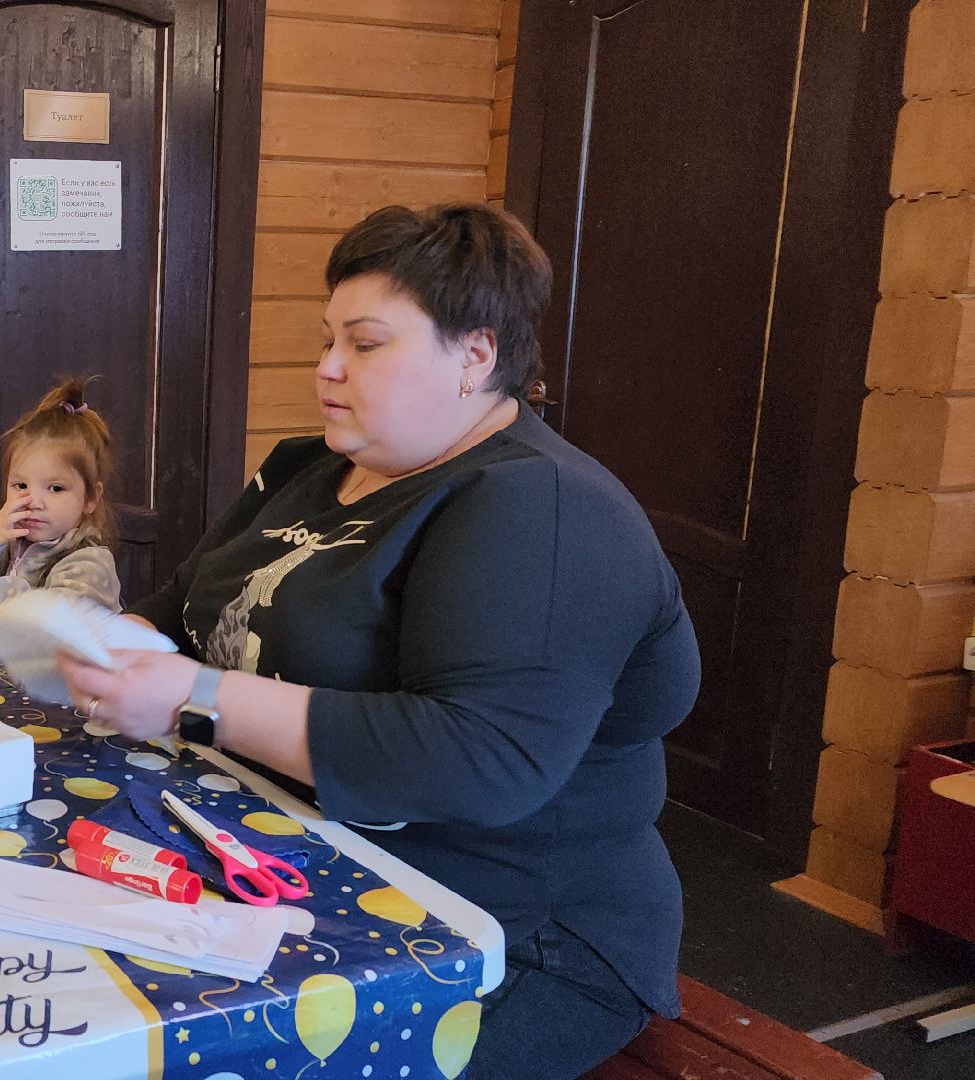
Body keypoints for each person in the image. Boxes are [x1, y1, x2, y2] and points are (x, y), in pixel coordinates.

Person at [53, 203, 700, 1079]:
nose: (327, 367)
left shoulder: (541, 508)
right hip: (294, 861)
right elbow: (186, 603)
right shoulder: (306, 468)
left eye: (365, 344)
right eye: (329, 340)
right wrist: (117, 639)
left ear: (475, 355)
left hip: (503, 934)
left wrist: (194, 695)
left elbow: (479, 759)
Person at [0, 377, 120, 615]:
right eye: (21, 485)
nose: (34, 502)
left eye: (55, 488)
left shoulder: (90, 561)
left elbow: (56, 614)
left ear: (90, 499)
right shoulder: (9, 543)